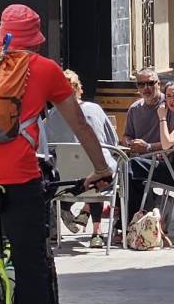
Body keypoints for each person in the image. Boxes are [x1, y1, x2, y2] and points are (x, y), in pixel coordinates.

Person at [0, 5, 110, 304]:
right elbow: (80, 125)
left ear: (0, 34)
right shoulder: (46, 69)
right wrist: (101, 168)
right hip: (16, 174)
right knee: (30, 258)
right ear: (36, 40)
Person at [43, 69, 118, 248]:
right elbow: (112, 141)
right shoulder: (95, 109)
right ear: (79, 89)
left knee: (58, 172)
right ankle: (97, 232)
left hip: (67, 181)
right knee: (105, 168)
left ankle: (59, 216)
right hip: (99, 178)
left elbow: (48, 148)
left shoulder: (52, 116)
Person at [121, 67, 174, 218]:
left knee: (129, 172)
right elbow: (126, 135)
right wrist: (130, 143)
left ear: (158, 84)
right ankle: (148, 213)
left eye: (150, 83)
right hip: (141, 160)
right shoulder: (134, 109)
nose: (146, 88)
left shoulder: (168, 106)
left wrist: (148, 147)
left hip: (164, 160)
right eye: (141, 84)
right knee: (121, 170)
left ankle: (129, 222)